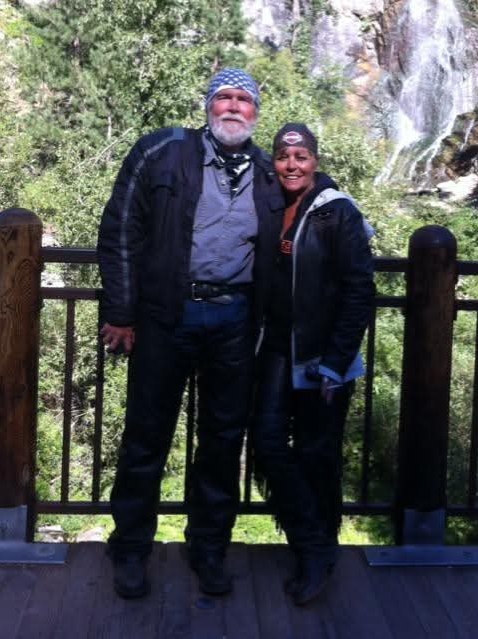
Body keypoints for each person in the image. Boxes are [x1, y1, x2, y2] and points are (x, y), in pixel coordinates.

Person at [97, 69, 283, 599]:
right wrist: (122, 311)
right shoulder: (162, 152)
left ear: (255, 112)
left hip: (235, 322)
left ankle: (208, 548)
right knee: (146, 436)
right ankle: (130, 548)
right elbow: (121, 228)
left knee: (223, 441)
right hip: (165, 316)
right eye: (223, 97)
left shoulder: (269, 173)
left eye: (243, 99)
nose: (233, 107)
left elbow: (314, 200)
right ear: (208, 106)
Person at [251, 123, 375, 606]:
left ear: (315, 161)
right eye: (284, 157)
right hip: (275, 349)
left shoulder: (337, 211)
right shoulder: (270, 206)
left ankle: (317, 551)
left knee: (316, 453)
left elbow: (359, 291)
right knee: (266, 443)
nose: (292, 165)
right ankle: (312, 543)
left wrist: (336, 362)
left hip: (321, 355)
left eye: (301, 157)